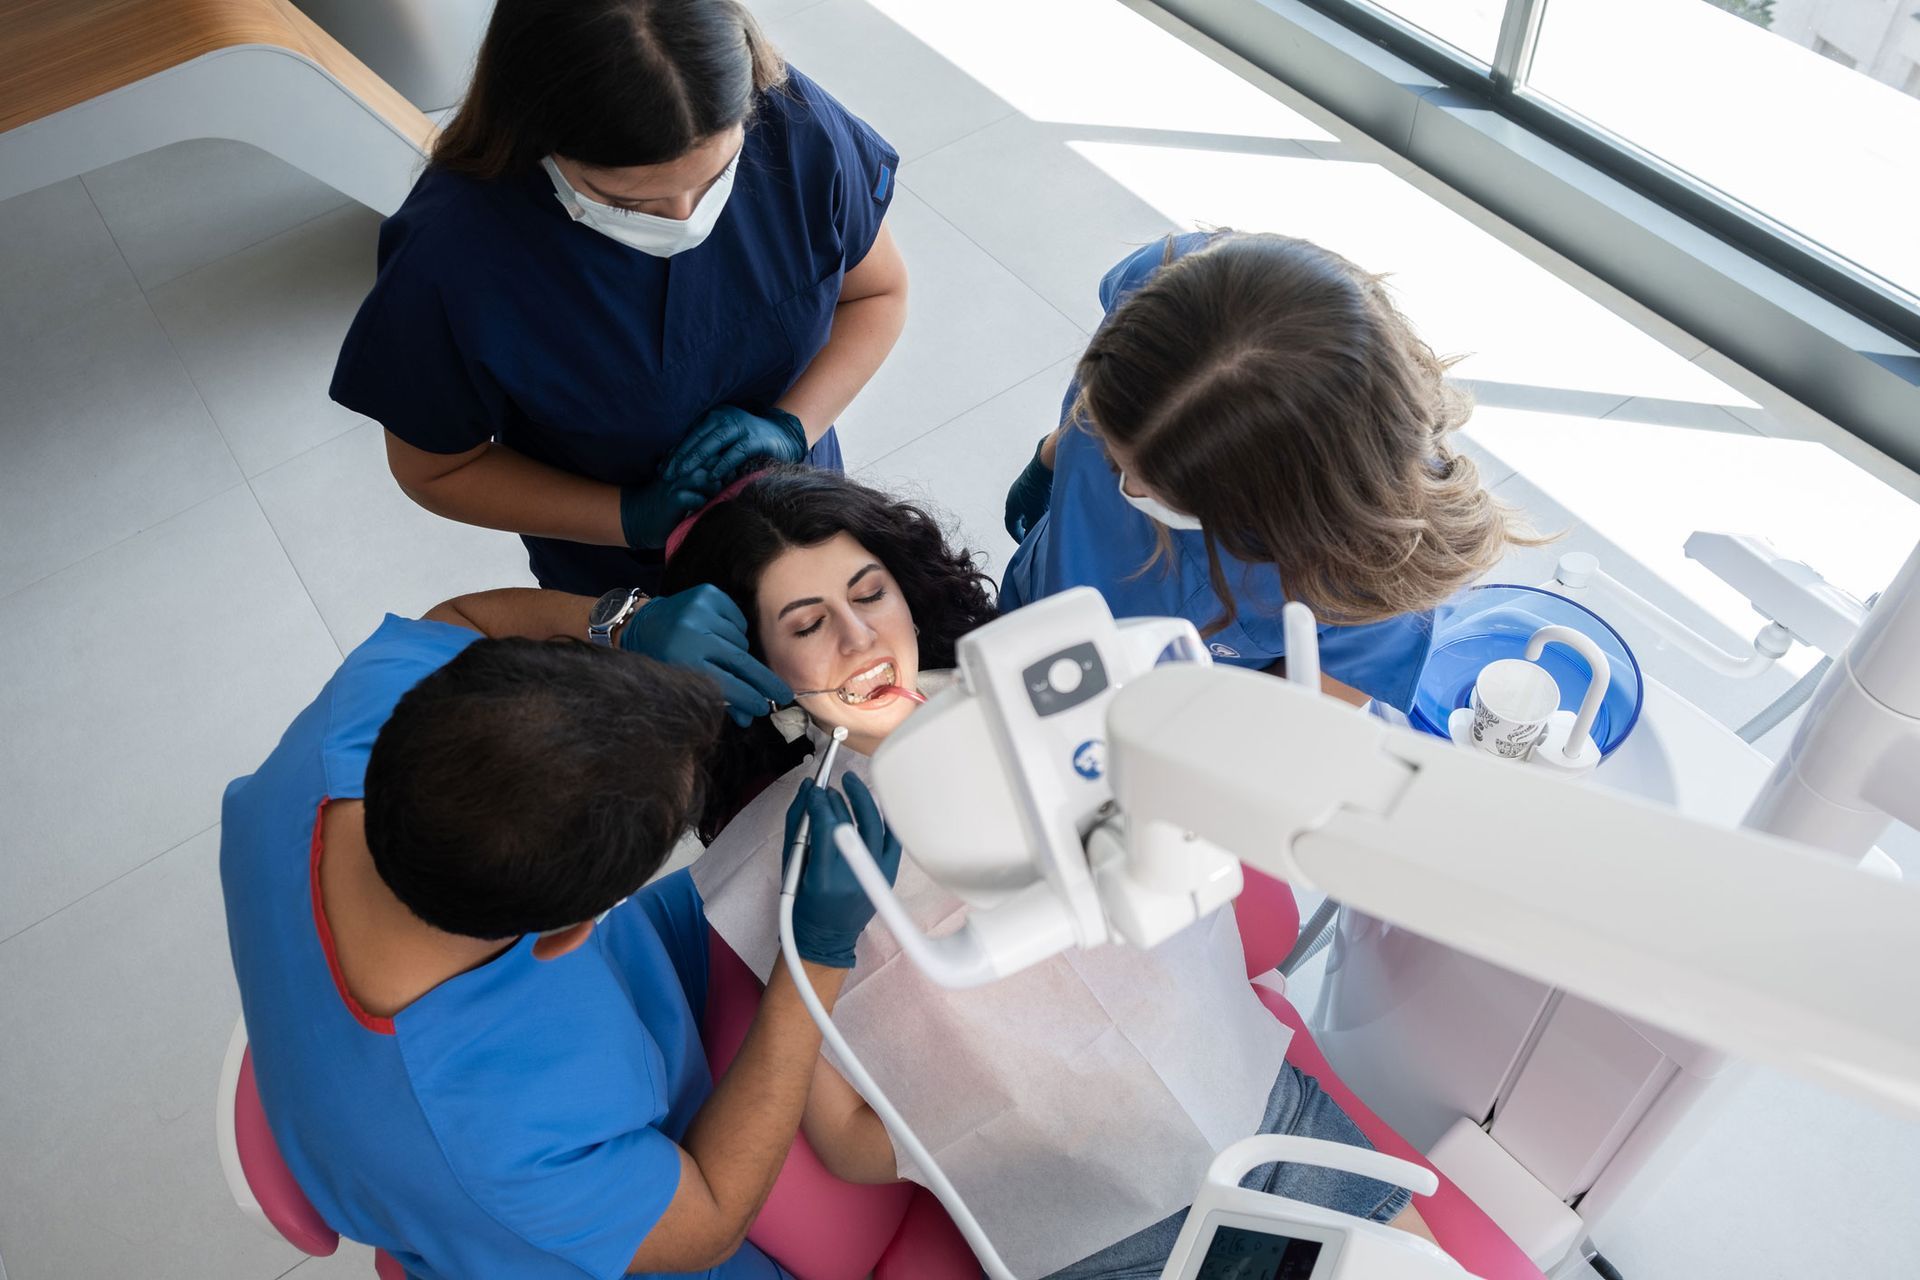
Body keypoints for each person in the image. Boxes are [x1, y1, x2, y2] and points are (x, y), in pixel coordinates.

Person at [663, 467, 1436, 1280]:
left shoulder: (1052, 695)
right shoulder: (783, 861)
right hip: (1095, 1234)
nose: (859, 639)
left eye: (870, 593)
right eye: (808, 622)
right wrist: (1025, 1111)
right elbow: (846, 1139)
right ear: (754, 662)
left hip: (1272, 1123)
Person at [219, 586, 901, 1279]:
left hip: (627, 1018)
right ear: (566, 936)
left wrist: (619, 626)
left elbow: (464, 621)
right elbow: (711, 1218)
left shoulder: (354, 720)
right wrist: (815, 956)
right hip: (625, 1221)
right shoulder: (495, 1134)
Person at [330, 0, 907, 603]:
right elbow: (438, 469)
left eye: (716, 176)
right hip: (633, 583)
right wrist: (629, 517)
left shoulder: (791, 121)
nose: (686, 218)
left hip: (806, 516)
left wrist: (793, 425)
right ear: (537, 136)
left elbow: (878, 294)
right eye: (634, 203)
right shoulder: (450, 258)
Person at [1000, 231, 1536, 714]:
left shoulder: (1381, 571)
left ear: (1281, 501)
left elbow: (1291, 719)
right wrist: (1051, 461)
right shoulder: (1169, 282)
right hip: (1042, 608)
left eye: (1166, 492)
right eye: (1113, 458)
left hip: (1163, 708)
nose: (1129, 490)